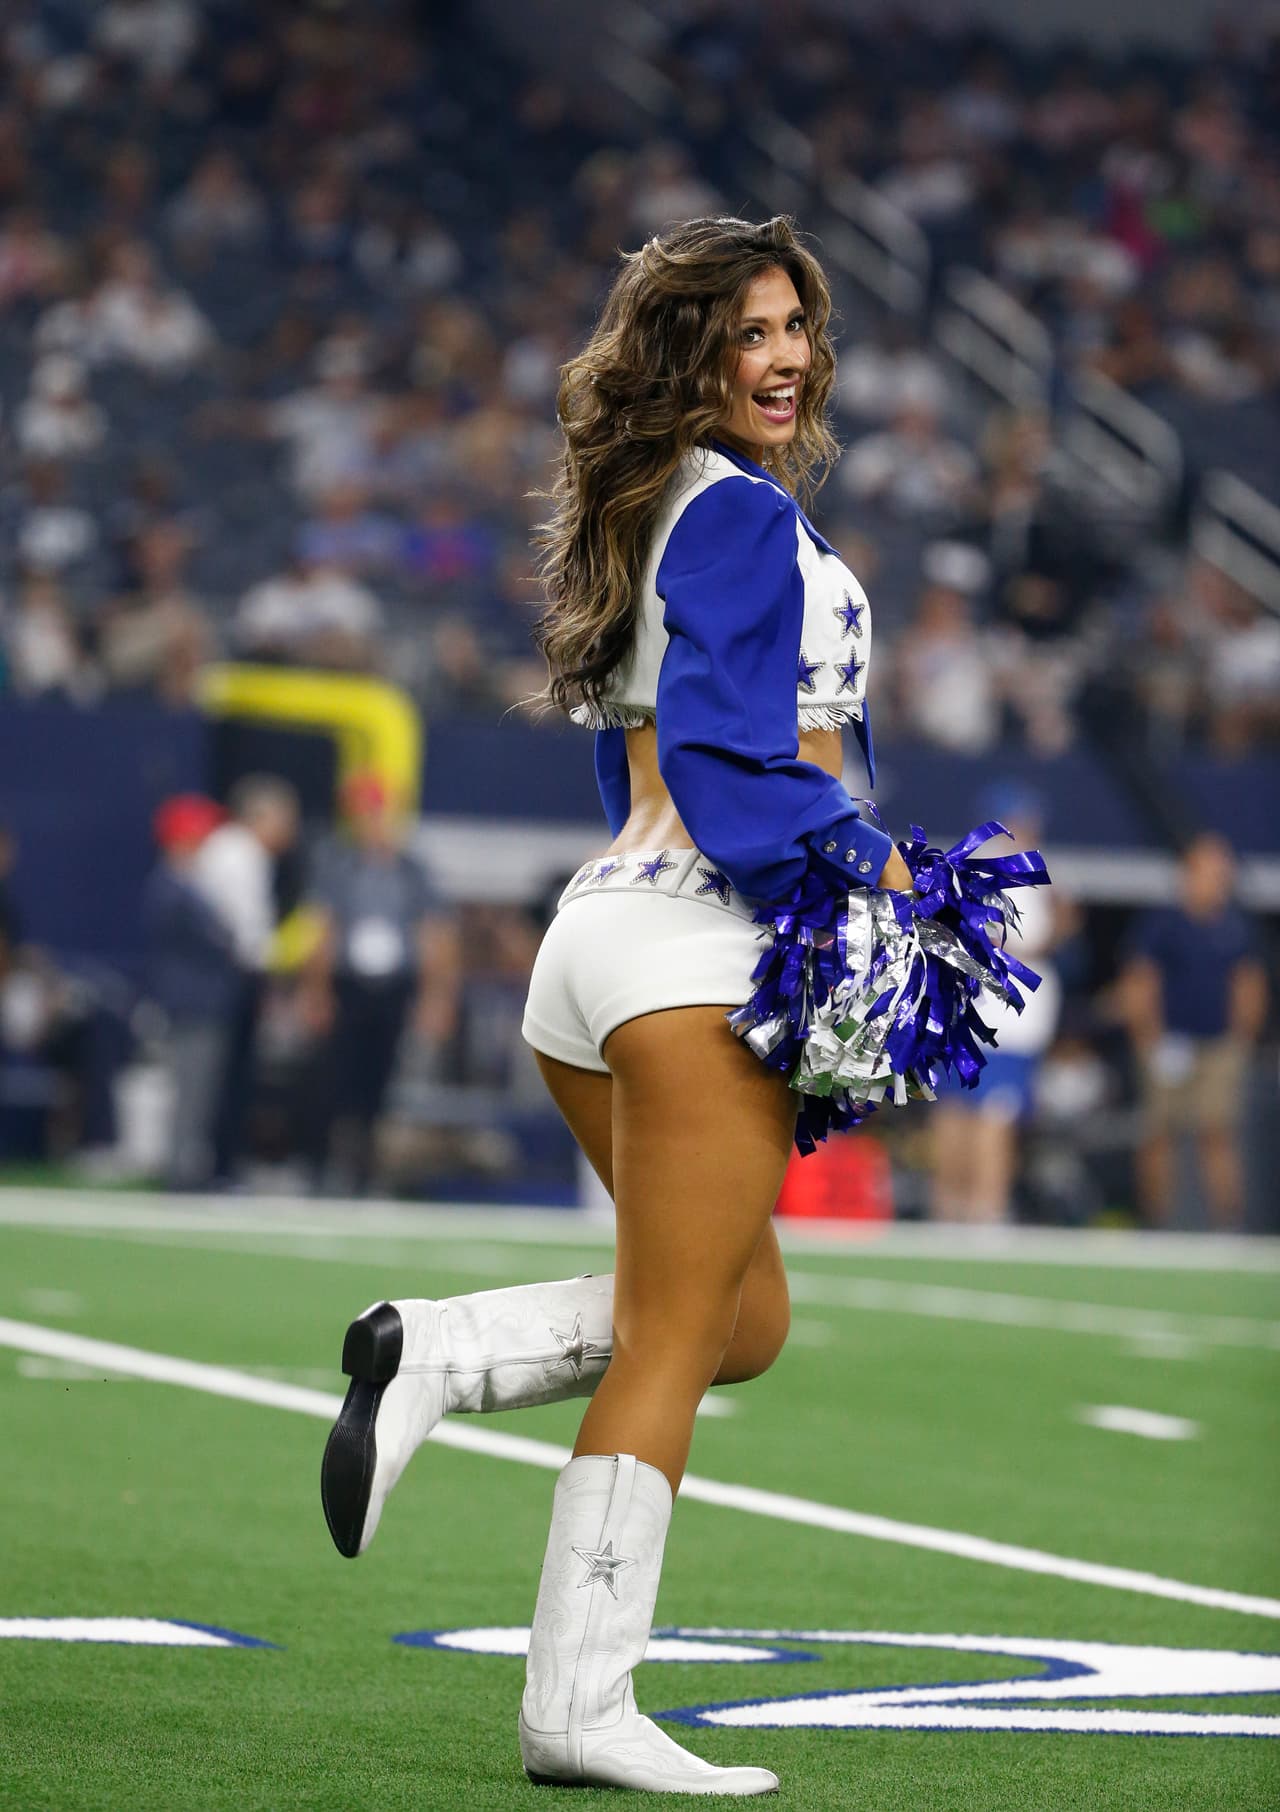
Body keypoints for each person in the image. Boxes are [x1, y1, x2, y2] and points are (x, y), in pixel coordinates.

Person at [320, 216, 973, 1797]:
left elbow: (656, 740)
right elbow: (735, 759)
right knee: (678, 1336)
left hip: (598, 938)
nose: (789, 355)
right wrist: (871, 867)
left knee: (744, 1317)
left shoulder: (654, 501)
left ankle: (440, 1355)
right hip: (693, 949)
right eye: (750, 331)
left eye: (798, 327)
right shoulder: (738, 517)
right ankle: (579, 1708)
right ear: (692, 354)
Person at [301, 770, 460, 1195]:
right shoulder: (337, 864)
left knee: (383, 1077)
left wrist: (435, 996)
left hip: (394, 986)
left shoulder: (412, 870)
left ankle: (370, 1167)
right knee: (337, 1077)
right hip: (348, 984)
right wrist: (315, 991)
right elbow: (323, 929)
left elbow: (435, 935)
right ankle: (333, 1165)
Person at [1120, 833, 1268, 1229]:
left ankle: (1227, 1223)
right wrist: (1150, 1040)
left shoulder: (1235, 926)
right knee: (1159, 1133)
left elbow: (1248, 982)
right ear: (1190, 873)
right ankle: (1157, 1221)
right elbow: (1141, 980)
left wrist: (1242, 1037)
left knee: (1217, 1131)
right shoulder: (1163, 922)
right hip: (1169, 1043)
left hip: (1219, 1044)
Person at [193, 775, 299, 1186]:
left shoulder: (234, 849)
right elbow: (247, 931)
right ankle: (216, 1165)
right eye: (282, 820)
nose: (287, 830)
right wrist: (279, 958)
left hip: (230, 973)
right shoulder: (240, 852)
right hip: (230, 977)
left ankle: (219, 1162)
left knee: (226, 1073)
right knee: (225, 1074)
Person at [141, 795, 237, 1189]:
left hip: (203, 1001)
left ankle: (187, 1167)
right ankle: (180, 1173)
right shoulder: (171, 887)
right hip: (192, 1002)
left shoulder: (189, 885)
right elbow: (215, 941)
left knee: (200, 1091)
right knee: (190, 1090)